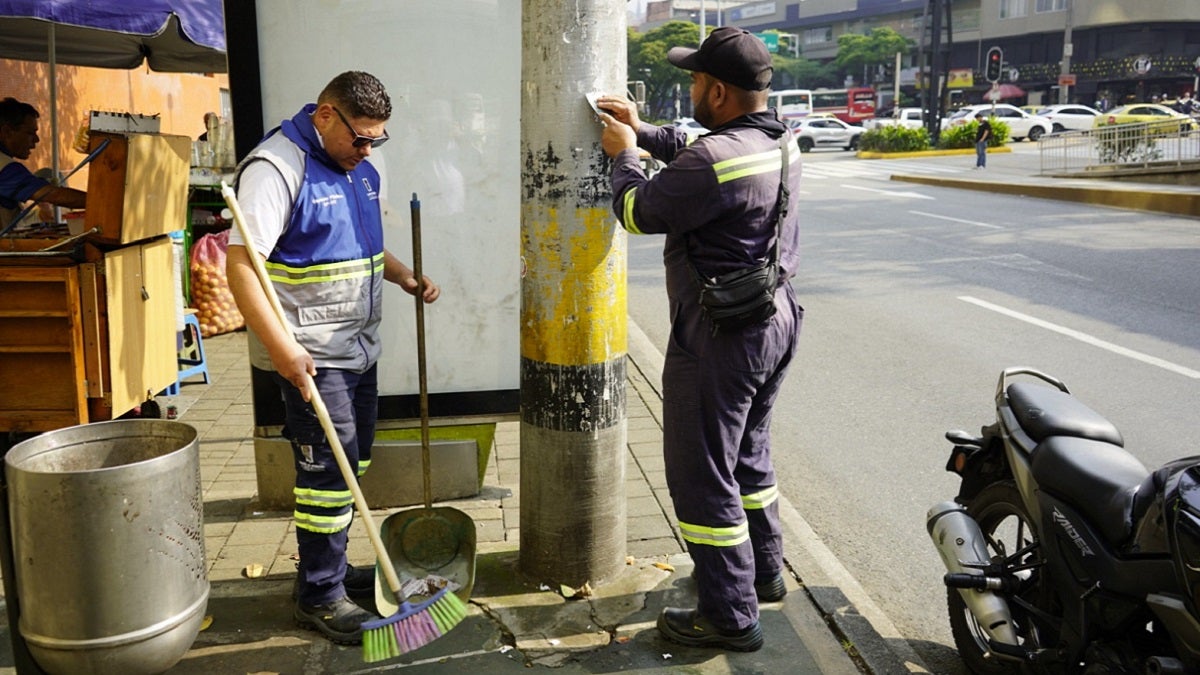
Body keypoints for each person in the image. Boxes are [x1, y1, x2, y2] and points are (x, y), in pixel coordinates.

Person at [596, 26, 802, 653]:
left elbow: (637, 211)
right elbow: (692, 146)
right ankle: (764, 573)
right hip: (776, 322)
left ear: (716, 90)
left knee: (702, 476)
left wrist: (624, 154)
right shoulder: (779, 138)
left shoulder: (712, 162)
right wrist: (644, 128)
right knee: (748, 460)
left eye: (693, 80)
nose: (689, 88)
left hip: (720, 339)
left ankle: (729, 615)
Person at [226, 71, 440, 645]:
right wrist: (282, 350)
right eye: (360, 138)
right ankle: (320, 594)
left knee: (351, 461)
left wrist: (402, 276)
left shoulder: (357, 168)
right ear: (325, 116)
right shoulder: (276, 170)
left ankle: (335, 568)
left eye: (377, 139)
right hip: (313, 357)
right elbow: (241, 268)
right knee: (326, 472)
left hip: (358, 349)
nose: (368, 150)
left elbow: (360, 242)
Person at [0, 97, 86, 232]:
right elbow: (52, 195)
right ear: (7, 132)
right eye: (30, 133)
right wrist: (101, 202)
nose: (36, 140)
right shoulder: (4, 168)